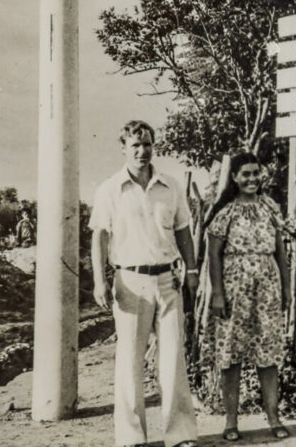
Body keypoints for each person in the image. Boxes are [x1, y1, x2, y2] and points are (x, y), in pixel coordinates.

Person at [89, 120, 198, 447]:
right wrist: (99, 280)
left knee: (172, 360)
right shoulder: (110, 189)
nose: (142, 151)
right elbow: (99, 236)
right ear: (124, 148)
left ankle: (180, 435)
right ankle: (131, 437)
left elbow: (183, 231)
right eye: (135, 145)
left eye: (147, 144)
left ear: (154, 146)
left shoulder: (171, 185)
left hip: (167, 280)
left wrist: (191, 272)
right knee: (129, 362)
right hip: (130, 282)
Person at [206, 152, 292, 441]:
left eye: (256, 173)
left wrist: (287, 289)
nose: (252, 179)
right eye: (246, 174)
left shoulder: (270, 207)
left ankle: (273, 418)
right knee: (232, 356)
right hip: (234, 289)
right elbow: (213, 255)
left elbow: (280, 251)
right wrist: (218, 293)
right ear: (234, 177)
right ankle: (231, 422)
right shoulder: (225, 212)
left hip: (267, 288)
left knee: (267, 354)